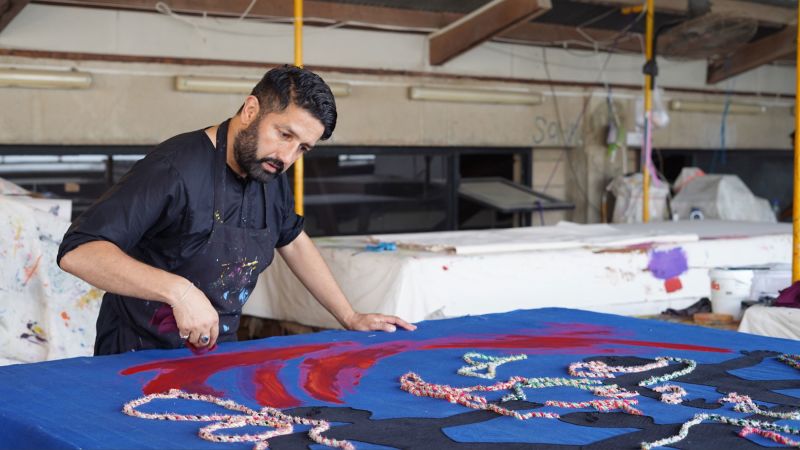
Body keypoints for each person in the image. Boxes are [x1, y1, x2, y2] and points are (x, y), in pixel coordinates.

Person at [57, 65, 416, 356]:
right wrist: (178, 291)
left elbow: (292, 239)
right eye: (284, 135)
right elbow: (79, 252)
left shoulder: (269, 170)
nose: (288, 157)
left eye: (303, 148)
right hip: (137, 353)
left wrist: (349, 316)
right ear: (250, 110)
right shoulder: (174, 169)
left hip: (217, 354)